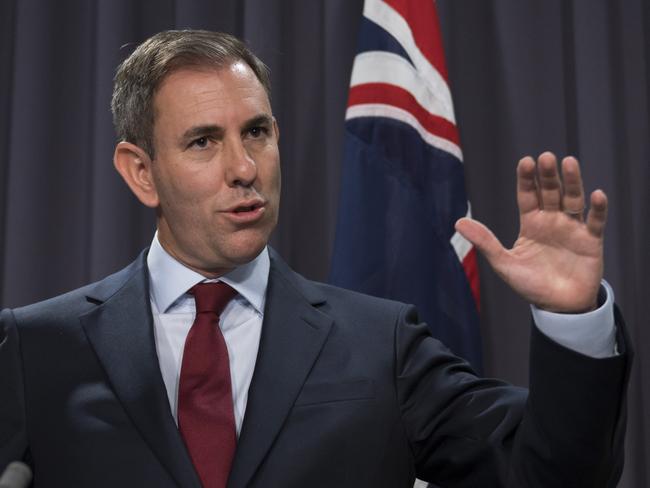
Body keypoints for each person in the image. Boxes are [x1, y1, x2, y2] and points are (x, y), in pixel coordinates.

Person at [0, 30, 630, 487]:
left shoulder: (381, 343)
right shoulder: (35, 348)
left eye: (256, 132)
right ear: (141, 173)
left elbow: (550, 474)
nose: (244, 169)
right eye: (202, 142)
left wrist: (572, 320)